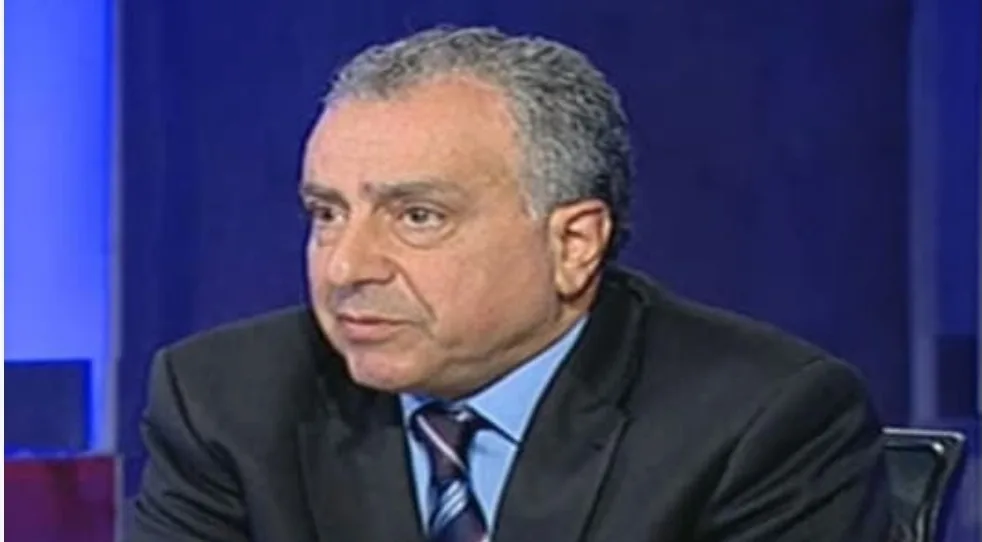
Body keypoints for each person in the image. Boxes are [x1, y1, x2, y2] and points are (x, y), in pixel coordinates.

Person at [129, 25, 892, 541]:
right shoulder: (225, 402)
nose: (345, 267)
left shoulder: (760, 421)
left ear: (573, 244)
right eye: (327, 214)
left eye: (418, 216)